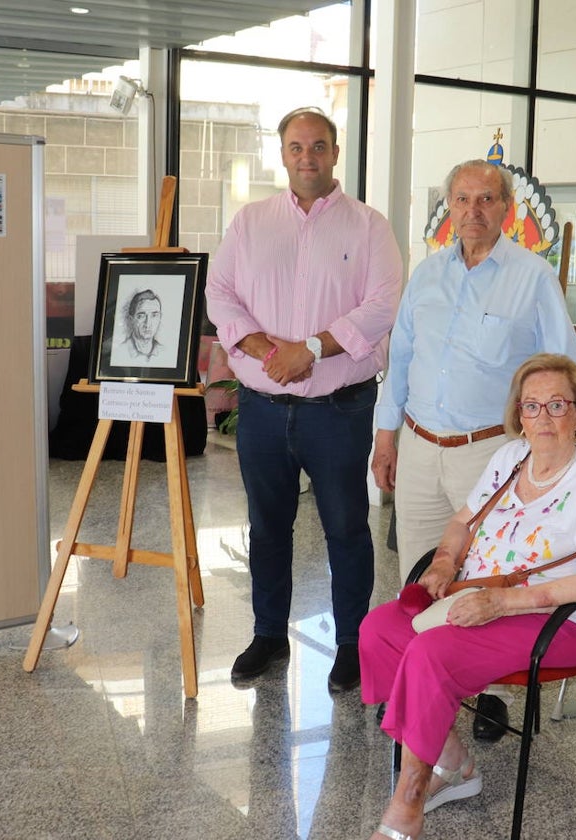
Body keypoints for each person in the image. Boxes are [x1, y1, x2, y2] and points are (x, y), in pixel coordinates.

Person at [360, 354, 576, 840]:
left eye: (557, 405)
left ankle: (408, 802)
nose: (543, 418)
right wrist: (443, 563)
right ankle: (453, 760)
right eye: (531, 406)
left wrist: (501, 604)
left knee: (431, 653)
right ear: (518, 414)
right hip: (483, 598)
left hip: (569, 617)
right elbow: (462, 522)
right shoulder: (509, 457)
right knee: (379, 629)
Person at [371, 157, 576, 741]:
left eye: (486, 199)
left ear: (506, 210)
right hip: (418, 445)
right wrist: (385, 435)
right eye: (462, 200)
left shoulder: (532, 277)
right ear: (450, 208)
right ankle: (413, 681)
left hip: (488, 454)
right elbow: (401, 362)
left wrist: (563, 451)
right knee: (418, 570)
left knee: (484, 575)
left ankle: (484, 691)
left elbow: (565, 367)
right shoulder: (426, 275)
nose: (473, 211)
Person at [206, 106, 402, 693]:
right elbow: (220, 294)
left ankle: (351, 644)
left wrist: (311, 349)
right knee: (267, 528)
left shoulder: (369, 226)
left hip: (338, 411)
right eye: (296, 147)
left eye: (318, 146)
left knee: (346, 528)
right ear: (283, 153)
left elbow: (383, 304)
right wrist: (274, 351)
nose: (307, 157)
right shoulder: (250, 222)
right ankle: (269, 635)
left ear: (335, 153)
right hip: (263, 411)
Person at [110, 289, 169, 366]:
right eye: (141, 316)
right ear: (131, 320)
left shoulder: (165, 352)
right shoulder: (119, 352)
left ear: (160, 318)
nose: (148, 324)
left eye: (154, 315)